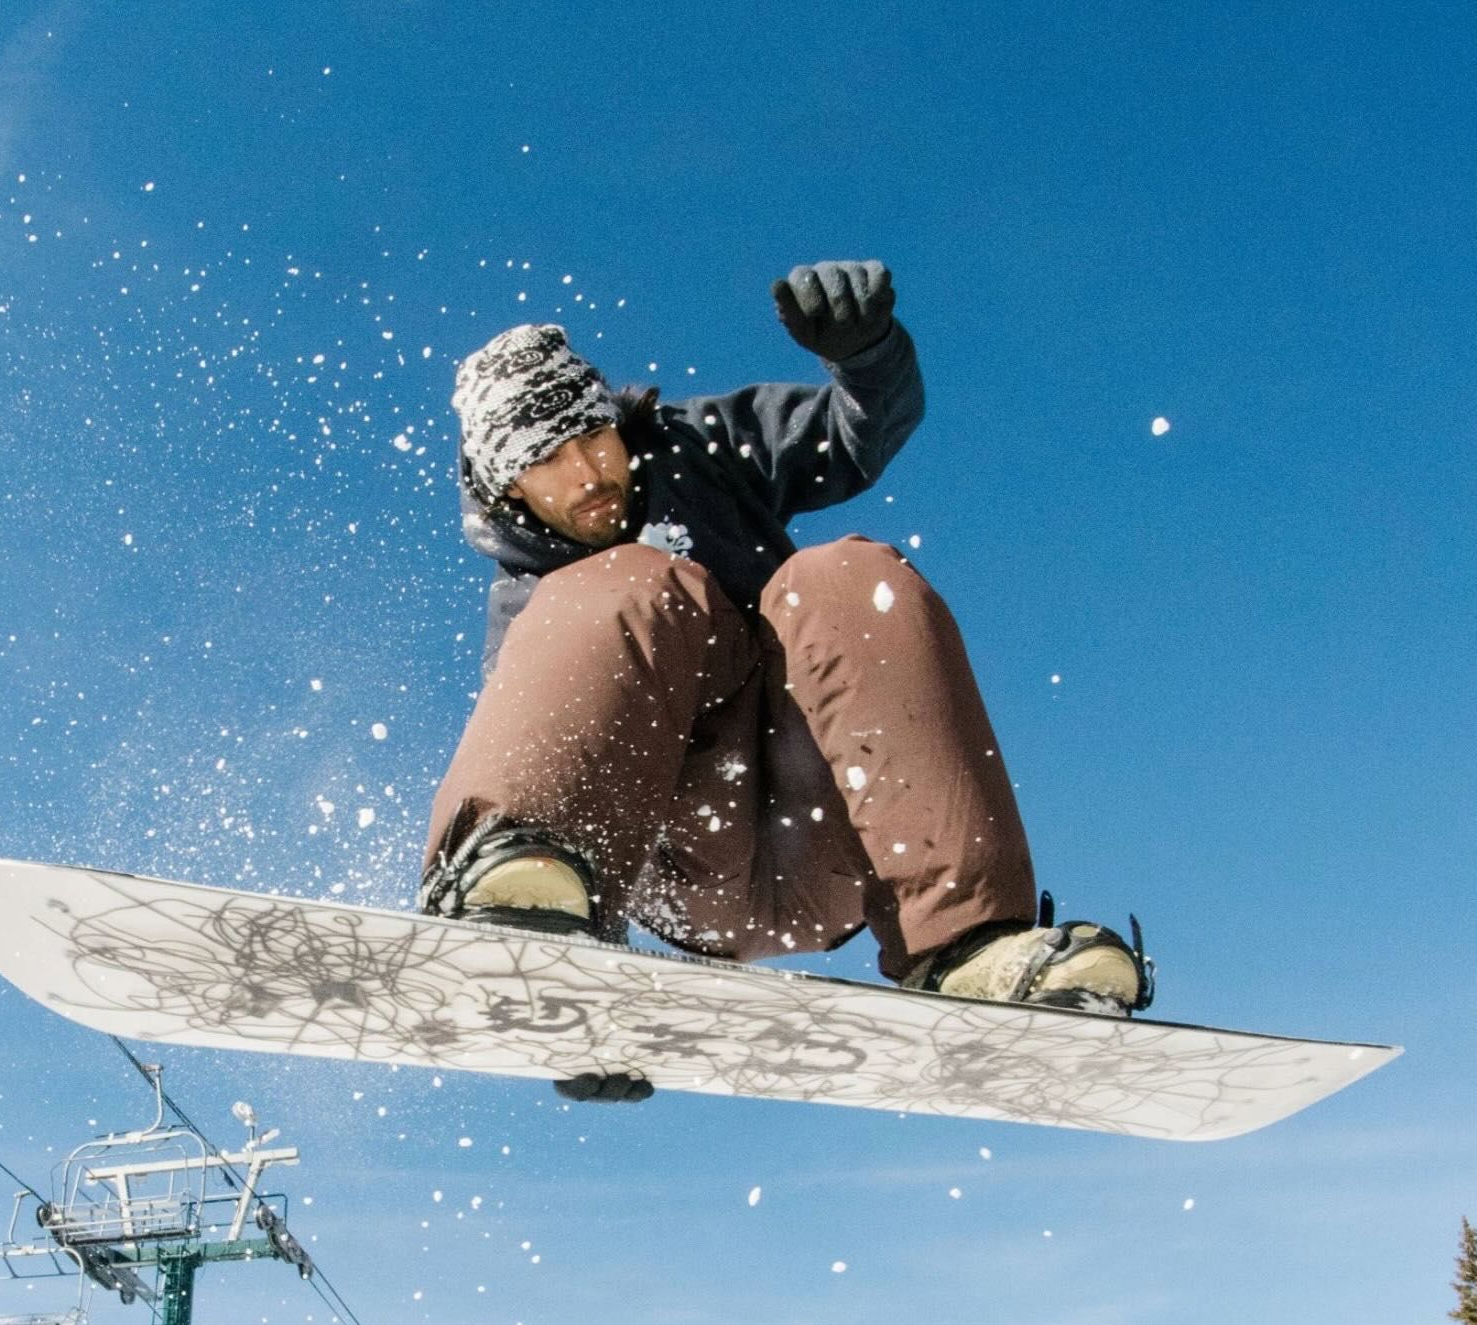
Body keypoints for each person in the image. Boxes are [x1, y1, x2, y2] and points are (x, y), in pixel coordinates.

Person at [418, 261, 1151, 1098]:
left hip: (836, 835)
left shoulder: (704, 447)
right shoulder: (534, 615)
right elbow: (565, 773)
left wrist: (869, 354)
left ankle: (973, 945)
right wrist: (573, 1007)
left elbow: (855, 431)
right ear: (507, 486)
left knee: (845, 575)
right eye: (547, 461)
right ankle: (527, 909)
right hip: (689, 857)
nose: (587, 473)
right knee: (623, 585)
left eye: (594, 437)